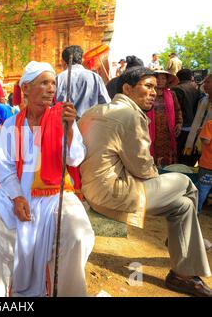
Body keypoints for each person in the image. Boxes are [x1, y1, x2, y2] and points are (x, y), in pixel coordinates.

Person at [78, 66, 212, 297]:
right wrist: (163, 181)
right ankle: (183, 241)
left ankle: (183, 275)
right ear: (128, 88)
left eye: (156, 88)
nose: (154, 92)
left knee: (183, 206)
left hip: (92, 190)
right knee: (185, 183)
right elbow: (142, 168)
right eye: (148, 86)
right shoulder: (129, 115)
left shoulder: (95, 110)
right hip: (114, 193)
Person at [0, 61, 94, 297]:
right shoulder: (10, 125)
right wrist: (17, 197)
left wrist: (69, 130)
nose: (51, 89)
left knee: (78, 234)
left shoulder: (63, 117)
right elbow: (5, 168)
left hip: (54, 192)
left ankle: (65, 292)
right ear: (26, 88)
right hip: (16, 191)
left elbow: (75, 160)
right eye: (44, 83)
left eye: (53, 83)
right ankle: (1, 290)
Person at [56, 45, 110, 118]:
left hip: (63, 124)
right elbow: (106, 104)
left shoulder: (58, 78)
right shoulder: (95, 77)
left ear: (63, 61)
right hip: (89, 124)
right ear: (81, 59)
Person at [146, 70, 182, 166]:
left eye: (163, 78)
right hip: (151, 131)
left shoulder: (172, 94)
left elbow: (177, 110)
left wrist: (179, 123)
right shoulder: (147, 94)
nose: (160, 80)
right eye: (157, 78)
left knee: (167, 160)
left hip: (167, 133)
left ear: (167, 81)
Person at [172, 69, 201, 166]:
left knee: (179, 157)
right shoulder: (196, 90)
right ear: (191, 77)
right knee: (188, 159)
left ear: (178, 78)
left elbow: (176, 109)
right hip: (194, 128)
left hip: (181, 128)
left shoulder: (176, 89)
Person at [183, 74, 212, 160]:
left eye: (208, 82)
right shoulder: (203, 100)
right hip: (197, 137)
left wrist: (206, 130)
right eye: (205, 82)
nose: (204, 85)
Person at [197, 120, 212, 214]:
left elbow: (206, 140)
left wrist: (201, 133)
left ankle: (195, 211)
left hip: (208, 164)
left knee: (202, 191)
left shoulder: (210, 124)